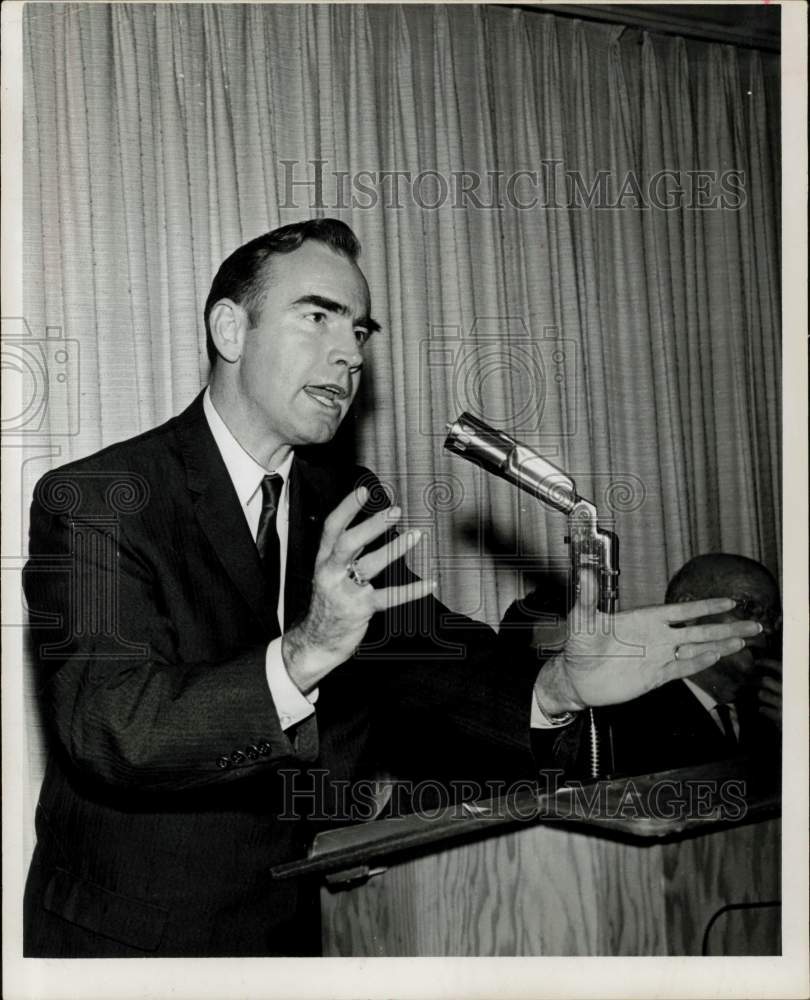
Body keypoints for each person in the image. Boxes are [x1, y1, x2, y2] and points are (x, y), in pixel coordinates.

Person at [22, 219, 761, 957]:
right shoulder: (100, 500)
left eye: (360, 331)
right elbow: (112, 725)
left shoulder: (346, 498)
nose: (350, 355)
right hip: (131, 941)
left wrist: (557, 687)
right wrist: (306, 652)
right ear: (229, 329)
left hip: (301, 925)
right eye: (317, 318)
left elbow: (423, 658)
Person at [502, 554, 781, 778]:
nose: (765, 627)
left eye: (772, 617)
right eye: (748, 608)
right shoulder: (620, 720)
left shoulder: (776, 710)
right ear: (689, 610)